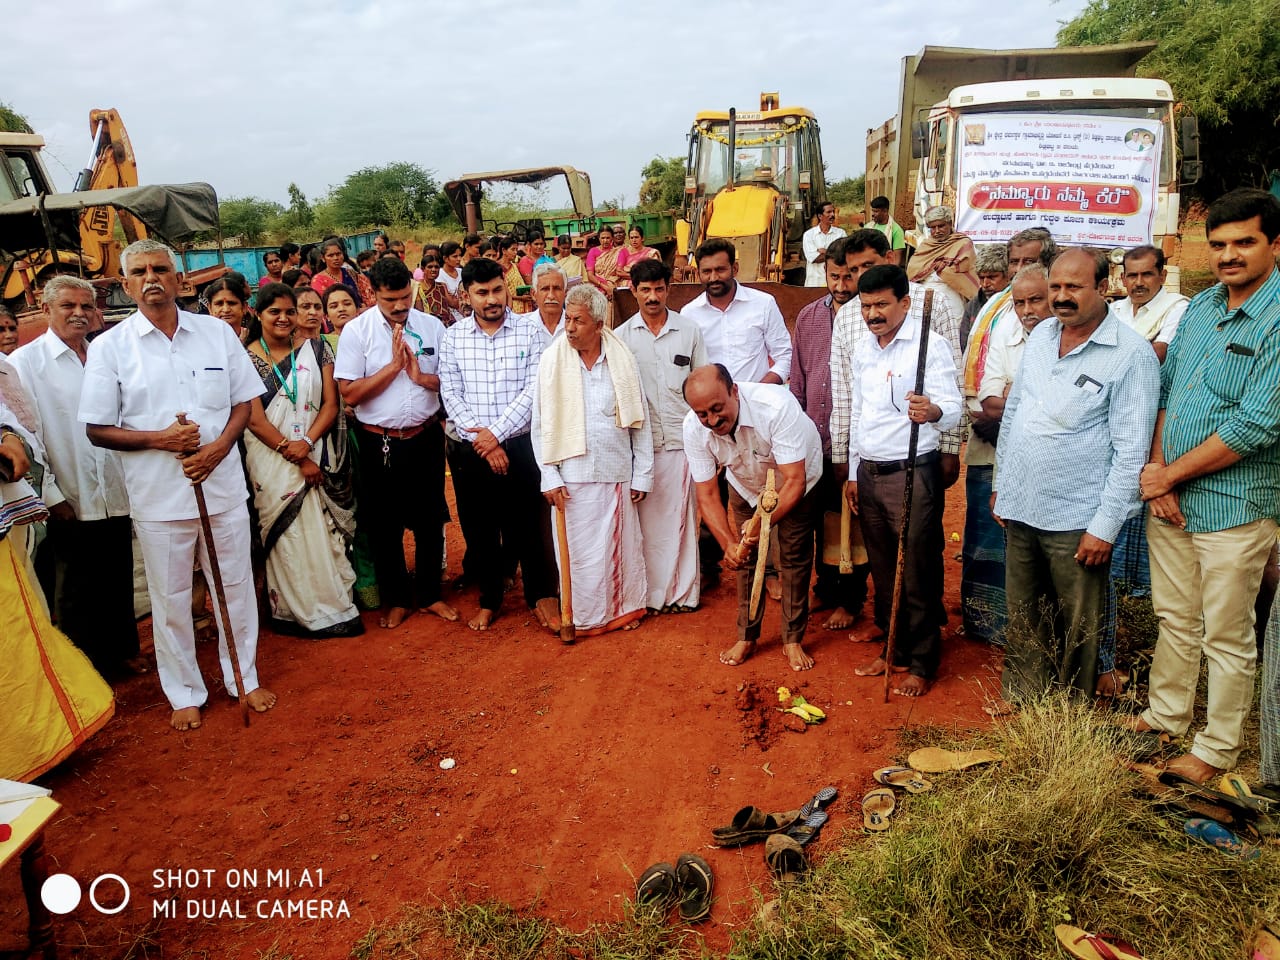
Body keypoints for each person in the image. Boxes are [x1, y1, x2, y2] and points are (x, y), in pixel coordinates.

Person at [79, 239, 276, 731]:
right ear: (124, 285)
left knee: (234, 588)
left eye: (161, 269)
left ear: (179, 278)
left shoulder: (216, 333)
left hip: (223, 486)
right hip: (159, 497)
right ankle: (185, 690)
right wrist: (161, 439)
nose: (152, 278)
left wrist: (219, 448)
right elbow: (97, 428)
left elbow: (242, 404)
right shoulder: (109, 347)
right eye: (140, 271)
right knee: (169, 600)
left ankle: (243, 679)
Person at [1132, 189, 1280, 783]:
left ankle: (1216, 748)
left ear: (1275, 244)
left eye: (1244, 242)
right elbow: (1168, 392)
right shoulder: (1198, 309)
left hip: (1236, 505)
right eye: (1219, 244)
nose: (1229, 255)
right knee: (1175, 617)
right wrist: (1160, 473)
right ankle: (1166, 716)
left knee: (1226, 633)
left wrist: (1166, 473)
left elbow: (1258, 423)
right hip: (1170, 498)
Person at [989, 249, 1159, 711]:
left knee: (1079, 623)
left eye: (1074, 288)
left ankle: (1069, 714)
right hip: (1023, 506)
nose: (1061, 298)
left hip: (1077, 518)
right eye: (1056, 288)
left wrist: (1104, 526)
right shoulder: (1044, 334)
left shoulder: (1131, 355)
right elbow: (1016, 413)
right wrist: (1003, 484)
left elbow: (1131, 452)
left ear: (1104, 288)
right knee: (1025, 614)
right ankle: (1024, 699)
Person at [9, 276, 142, 678]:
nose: (79, 314)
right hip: (68, 490)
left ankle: (120, 652)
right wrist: (50, 493)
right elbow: (27, 433)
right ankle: (81, 668)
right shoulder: (25, 364)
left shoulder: (104, 355)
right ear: (47, 310)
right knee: (72, 583)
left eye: (87, 306)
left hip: (115, 486)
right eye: (69, 306)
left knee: (117, 572)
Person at [844, 265, 963, 697]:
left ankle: (922, 660)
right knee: (881, 565)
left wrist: (931, 411)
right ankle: (892, 647)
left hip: (912, 470)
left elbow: (953, 407)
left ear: (905, 304)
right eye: (866, 306)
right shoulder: (863, 350)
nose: (872, 313)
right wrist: (856, 468)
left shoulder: (930, 347)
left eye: (881, 305)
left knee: (916, 567)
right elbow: (859, 412)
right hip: (870, 471)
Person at [334, 256, 458, 630]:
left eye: (406, 296)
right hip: (378, 443)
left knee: (429, 519)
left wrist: (421, 378)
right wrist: (392, 368)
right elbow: (349, 394)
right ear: (373, 293)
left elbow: (451, 383)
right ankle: (398, 599)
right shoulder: (357, 332)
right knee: (384, 525)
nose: (401, 306)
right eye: (391, 300)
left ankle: (430, 595)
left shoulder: (434, 327)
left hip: (425, 437)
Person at [438, 256, 559, 632]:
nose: (491, 299)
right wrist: (485, 442)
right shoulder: (453, 337)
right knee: (479, 529)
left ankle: (543, 598)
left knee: (530, 527)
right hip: (472, 450)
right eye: (481, 293)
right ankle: (490, 600)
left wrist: (498, 435)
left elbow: (532, 391)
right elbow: (450, 392)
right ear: (467, 295)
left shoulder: (529, 332)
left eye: (496, 290)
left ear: (507, 288)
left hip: (520, 447)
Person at [684, 364, 823, 671]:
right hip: (746, 484)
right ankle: (747, 635)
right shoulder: (693, 429)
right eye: (702, 414)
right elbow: (706, 494)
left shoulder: (775, 407)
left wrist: (761, 524)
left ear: (735, 391)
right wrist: (730, 545)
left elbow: (795, 481)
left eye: (717, 409)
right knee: (743, 559)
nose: (712, 420)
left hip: (796, 480)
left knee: (793, 555)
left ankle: (792, 638)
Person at [243, 284, 362, 639]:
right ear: (258, 315)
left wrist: (307, 444)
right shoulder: (244, 356)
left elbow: (331, 403)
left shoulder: (316, 348)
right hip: (270, 460)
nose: (283, 318)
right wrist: (289, 450)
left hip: (316, 450)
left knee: (322, 533)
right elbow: (252, 417)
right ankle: (291, 611)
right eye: (274, 312)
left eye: (289, 311)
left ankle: (333, 604)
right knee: (287, 536)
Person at [533, 284, 653, 636]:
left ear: (598, 324)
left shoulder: (622, 358)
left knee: (618, 549)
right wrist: (549, 476)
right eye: (567, 320)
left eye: (578, 321)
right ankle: (583, 618)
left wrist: (642, 474)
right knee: (581, 557)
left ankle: (621, 611)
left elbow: (640, 420)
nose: (568, 327)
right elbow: (540, 426)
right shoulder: (552, 360)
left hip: (616, 471)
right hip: (572, 477)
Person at [683, 237, 793, 596]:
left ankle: (772, 571)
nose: (713, 276)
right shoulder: (690, 315)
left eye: (720, 268)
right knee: (711, 490)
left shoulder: (763, 304)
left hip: (758, 419)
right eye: (706, 270)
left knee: (768, 493)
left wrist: (758, 393)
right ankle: (712, 565)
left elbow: (784, 355)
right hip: (713, 422)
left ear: (735, 268)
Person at [830, 229, 964, 493]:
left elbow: (954, 380)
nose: (861, 275)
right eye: (854, 269)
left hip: (920, 455)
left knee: (916, 532)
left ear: (890, 258)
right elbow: (845, 393)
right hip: (870, 459)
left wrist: (949, 448)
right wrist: (843, 455)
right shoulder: (846, 317)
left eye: (868, 265)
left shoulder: (930, 303)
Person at [615, 258, 706, 613]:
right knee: (647, 528)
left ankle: (684, 595)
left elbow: (701, 382)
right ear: (634, 292)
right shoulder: (621, 338)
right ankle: (651, 596)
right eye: (645, 290)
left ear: (669, 289)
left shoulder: (689, 331)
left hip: (684, 442)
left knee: (683, 525)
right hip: (642, 448)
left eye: (659, 289)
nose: (653, 297)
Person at [790, 236, 868, 629]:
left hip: (851, 442)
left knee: (848, 524)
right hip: (813, 438)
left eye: (848, 277)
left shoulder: (866, 317)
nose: (840, 286)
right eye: (834, 276)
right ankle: (825, 588)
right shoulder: (808, 317)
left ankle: (851, 599)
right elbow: (798, 379)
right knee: (818, 518)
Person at [1113, 245, 1188, 365]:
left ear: (1162, 276)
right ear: (1123, 279)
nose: (1139, 283)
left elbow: (1157, 354)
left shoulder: (1177, 308)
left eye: (1147, 275)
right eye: (1132, 276)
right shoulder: (1114, 309)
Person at [906, 205, 978, 323]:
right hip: (924, 299)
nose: (937, 231)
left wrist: (940, 269)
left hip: (952, 299)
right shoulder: (926, 245)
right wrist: (936, 265)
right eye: (933, 228)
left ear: (950, 224)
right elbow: (912, 269)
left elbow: (963, 268)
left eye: (941, 226)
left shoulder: (963, 243)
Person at [961, 245, 1009, 348]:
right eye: (981, 278)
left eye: (992, 277)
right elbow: (964, 344)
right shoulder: (973, 306)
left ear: (1007, 275)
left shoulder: (1016, 304)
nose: (985, 284)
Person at [312, 237, 374, 307]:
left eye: (338, 254)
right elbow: (323, 305)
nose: (336, 258)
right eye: (331, 255)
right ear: (323, 258)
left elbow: (368, 293)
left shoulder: (351, 273)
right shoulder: (318, 280)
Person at [802, 201, 846, 287]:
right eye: (829, 212)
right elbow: (814, 259)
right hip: (815, 283)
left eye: (833, 211)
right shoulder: (809, 235)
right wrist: (834, 253)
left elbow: (843, 256)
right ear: (820, 216)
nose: (832, 214)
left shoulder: (840, 233)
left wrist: (825, 251)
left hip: (835, 283)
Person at [415, 253, 456, 324]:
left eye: (436, 267)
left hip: (446, 324)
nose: (434, 270)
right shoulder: (417, 287)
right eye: (430, 267)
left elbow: (453, 304)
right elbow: (420, 312)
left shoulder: (442, 286)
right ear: (422, 269)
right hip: (428, 324)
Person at [530, 262, 566, 343]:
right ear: (533, 294)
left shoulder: (576, 327)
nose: (551, 296)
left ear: (565, 293)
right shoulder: (523, 327)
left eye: (557, 288)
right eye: (545, 289)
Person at [587, 226, 626, 300]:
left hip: (613, 284)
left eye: (608, 238)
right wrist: (605, 287)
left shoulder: (618, 251)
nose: (605, 241)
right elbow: (590, 275)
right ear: (599, 238)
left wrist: (610, 286)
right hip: (597, 285)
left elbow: (619, 272)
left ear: (612, 238)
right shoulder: (593, 251)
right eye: (603, 238)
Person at [867, 196, 905, 266]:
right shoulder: (867, 227)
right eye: (872, 210)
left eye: (876, 211)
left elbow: (896, 259)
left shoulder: (896, 230)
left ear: (885, 211)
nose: (872, 214)